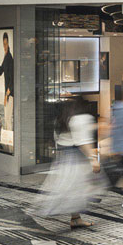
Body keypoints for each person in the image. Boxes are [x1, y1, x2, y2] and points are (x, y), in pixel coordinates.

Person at [36, 96, 101, 229]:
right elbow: (83, 142)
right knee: (75, 190)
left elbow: (56, 139)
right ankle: (52, 211)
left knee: (69, 187)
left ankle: (75, 219)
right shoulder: (80, 119)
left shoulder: (61, 120)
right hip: (76, 159)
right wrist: (93, 159)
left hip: (64, 158)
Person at [0, 32, 13, 137]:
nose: (4, 45)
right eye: (3, 43)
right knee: (6, 119)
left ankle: (10, 145)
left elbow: (12, 78)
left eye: (6, 43)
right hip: (7, 93)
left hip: (10, 93)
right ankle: (8, 143)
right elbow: (1, 71)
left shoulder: (10, 58)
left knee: (8, 120)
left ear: (8, 43)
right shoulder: (6, 57)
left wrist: (6, 95)